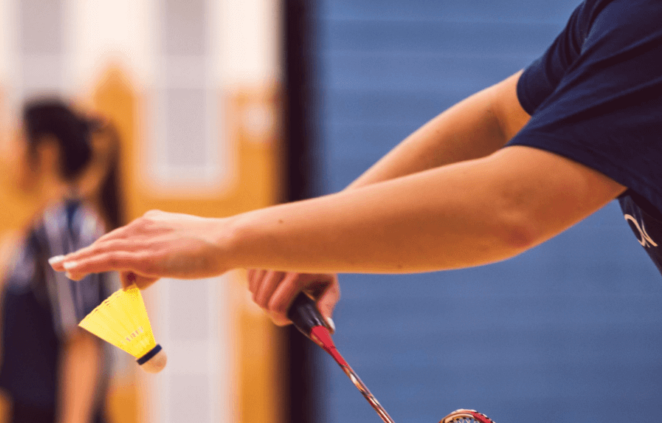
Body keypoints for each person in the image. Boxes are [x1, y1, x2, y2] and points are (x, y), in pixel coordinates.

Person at [52, 0, 662, 328]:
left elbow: (510, 206)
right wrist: (314, 241)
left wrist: (226, 236)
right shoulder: (618, 15)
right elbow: (502, 117)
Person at [0, 100, 117, 423]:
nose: (7, 152)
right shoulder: (40, 228)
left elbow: (83, 343)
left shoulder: (68, 227)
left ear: (46, 152)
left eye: (16, 139)